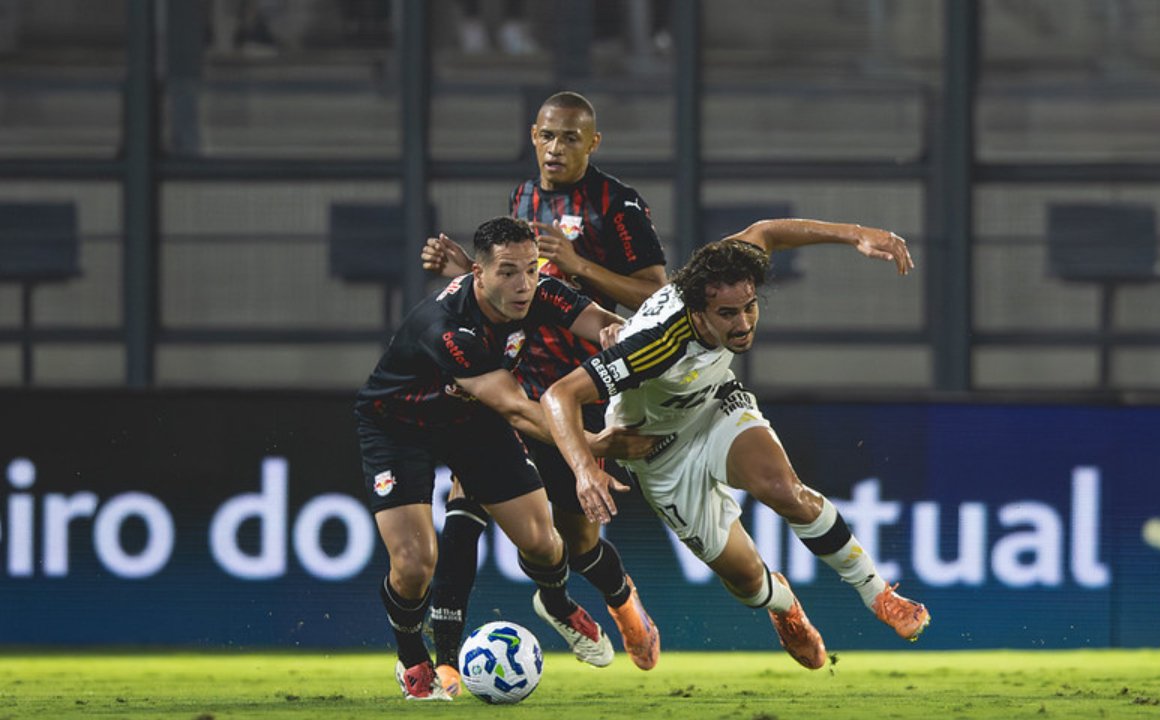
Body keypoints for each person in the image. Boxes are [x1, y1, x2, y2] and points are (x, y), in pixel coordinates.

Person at [540, 218, 931, 670]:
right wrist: (586, 464)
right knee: (746, 580)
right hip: (657, 450)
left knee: (786, 490)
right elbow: (558, 396)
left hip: (713, 408)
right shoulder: (654, 344)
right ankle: (783, 605)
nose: (743, 323)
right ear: (696, 312)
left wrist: (856, 235)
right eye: (728, 315)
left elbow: (765, 232)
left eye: (749, 307)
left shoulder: (724, 270)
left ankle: (878, 594)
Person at [420, 90, 667, 691]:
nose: (557, 148)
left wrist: (581, 266)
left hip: (579, 387)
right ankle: (444, 661)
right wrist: (466, 271)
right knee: (466, 493)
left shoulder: (619, 204)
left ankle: (610, 599)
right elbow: (513, 288)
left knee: (577, 539)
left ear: (593, 142)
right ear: (534, 135)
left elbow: (657, 296)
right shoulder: (524, 198)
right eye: (548, 136)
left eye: (571, 138)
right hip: (515, 376)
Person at [357, 216, 654, 700]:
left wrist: (618, 333)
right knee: (414, 564)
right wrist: (592, 448)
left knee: (543, 542)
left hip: (470, 421)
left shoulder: (540, 293)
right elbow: (517, 409)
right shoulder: (448, 329)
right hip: (398, 427)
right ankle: (413, 659)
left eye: (531, 270)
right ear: (479, 274)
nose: (524, 285)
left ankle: (555, 603)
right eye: (508, 272)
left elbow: (600, 322)